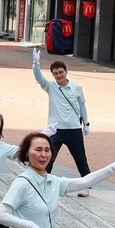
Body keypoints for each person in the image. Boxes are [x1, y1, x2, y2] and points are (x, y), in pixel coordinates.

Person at [31, 48, 92, 192]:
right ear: (53, 75)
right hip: (55, 130)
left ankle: (86, 186)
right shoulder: (51, 87)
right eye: (55, 73)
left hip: (74, 129)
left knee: (80, 159)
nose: (59, 75)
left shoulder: (76, 87)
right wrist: (36, 64)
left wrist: (86, 123)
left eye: (61, 72)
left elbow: (82, 106)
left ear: (66, 72)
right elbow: (39, 78)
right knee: (48, 157)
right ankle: (43, 183)